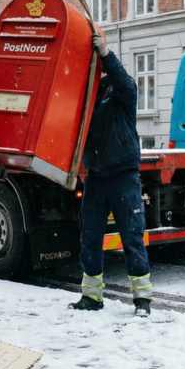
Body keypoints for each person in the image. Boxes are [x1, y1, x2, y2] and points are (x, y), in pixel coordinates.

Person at [69, 33, 152, 317]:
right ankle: (91, 297)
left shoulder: (121, 91)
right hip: (96, 176)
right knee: (90, 236)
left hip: (122, 176)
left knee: (131, 236)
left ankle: (142, 300)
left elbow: (125, 81)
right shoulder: (87, 96)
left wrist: (106, 54)